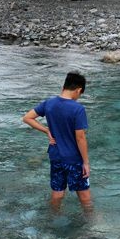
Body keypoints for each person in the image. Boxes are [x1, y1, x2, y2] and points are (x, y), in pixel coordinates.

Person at [22, 72, 92, 211]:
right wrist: (85, 162)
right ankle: (90, 224)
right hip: (73, 158)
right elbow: (80, 138)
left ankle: (53, 218)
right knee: (84, 196)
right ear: (78, 90)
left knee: (57, 193)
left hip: (56, 155)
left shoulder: (49, 103)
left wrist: (46, 130)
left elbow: (27, 118)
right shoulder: (78, 109)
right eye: (80, 94)